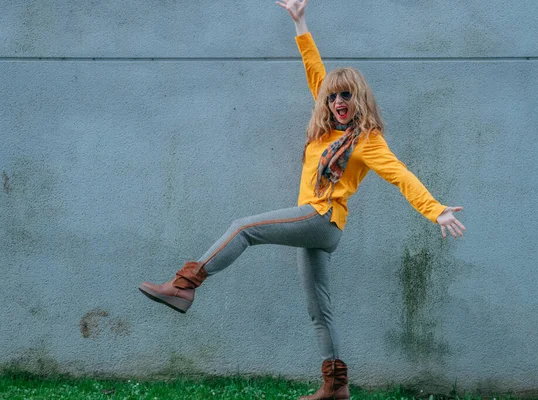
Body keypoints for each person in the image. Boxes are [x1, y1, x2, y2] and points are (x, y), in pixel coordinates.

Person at [139, 0, 465, 398]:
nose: (338, 102)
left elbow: (401, 176)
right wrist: (300, 21)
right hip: (319, 229)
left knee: (243, 228)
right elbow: (314, 69)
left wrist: (436, 211)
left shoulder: (367, 140)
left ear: (358, 98)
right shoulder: (326, 128)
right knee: (319, 309)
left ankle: (185, 285)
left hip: (322, 219)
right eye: (332, 97)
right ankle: (336, 386)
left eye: (346, 95)